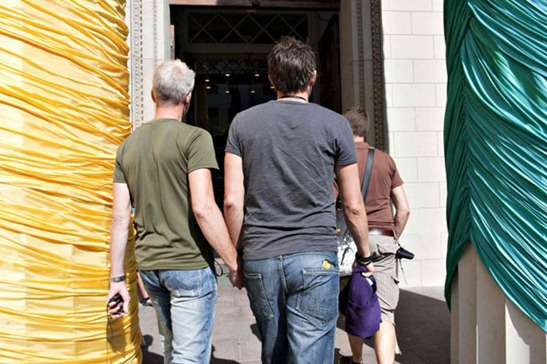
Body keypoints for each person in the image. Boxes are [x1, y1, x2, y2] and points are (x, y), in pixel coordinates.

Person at [223, 36, 374, 364]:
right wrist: (364, 255)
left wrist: (235, 257)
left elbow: (233, 202)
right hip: (315, 255)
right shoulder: (335, 124)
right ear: (313, 77)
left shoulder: (242, 124)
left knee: (274, 352)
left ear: (272, 78)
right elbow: (352, 204)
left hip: (261, 255)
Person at [106, 59, 243, 364]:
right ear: (188, 98)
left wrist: (117, 278)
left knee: (172, 347)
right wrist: (234, 262)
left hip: (150, 266)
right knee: (189, 356)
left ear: (153, 95)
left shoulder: (127, 147)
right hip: (188, 264)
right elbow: (204, 207)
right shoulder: (195, 139)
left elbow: (119, 217)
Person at [339, 107, 410, 364]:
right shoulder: (386, 160)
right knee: (386, 313)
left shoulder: (340, 160)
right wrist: (392, 238)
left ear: (345, 130)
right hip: (384, 239)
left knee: (353, 305)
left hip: (350, 244)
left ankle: (357, 360)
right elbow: (404, 208)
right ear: (365, 129)